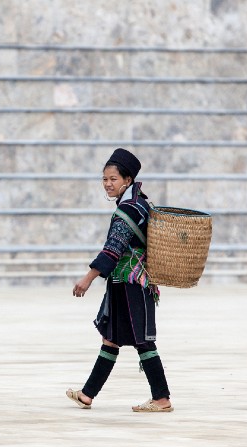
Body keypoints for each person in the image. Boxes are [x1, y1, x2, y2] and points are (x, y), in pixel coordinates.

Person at [65, 148, 173, 413]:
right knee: (111, 338)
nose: (108, 184)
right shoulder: (140, 204)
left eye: (113, 179)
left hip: (130, 283)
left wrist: (88, 278)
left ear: (127, 180)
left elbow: (113, 249)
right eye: (104, 179)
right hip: (125, 283)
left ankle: (161, 398)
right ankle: (87, 395)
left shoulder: (128, 209)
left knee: (143, 341)